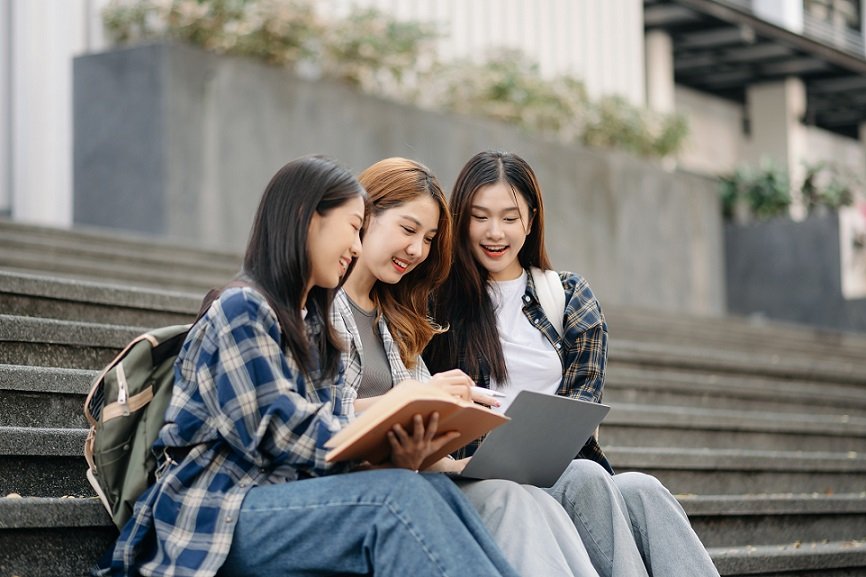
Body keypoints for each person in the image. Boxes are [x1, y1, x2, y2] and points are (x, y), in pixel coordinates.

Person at [101, 155, 523, 577]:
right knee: (397, 500)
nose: (356, 247)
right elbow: (281, 431)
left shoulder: (318, 326)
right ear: (308, 219)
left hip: (289, 504)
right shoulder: (241, 309)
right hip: (219, 513)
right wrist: (402, 401)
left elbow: (331, 434)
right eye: (353, 228)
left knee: (431, 490)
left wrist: (399, 453)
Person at [423, 150, 720, 577]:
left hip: (558, 468)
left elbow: (579, 408)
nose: (494, 232)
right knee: (585, 476)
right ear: (460, 219)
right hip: (478, 475)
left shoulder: (567, 296)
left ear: (531, 219)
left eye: (510, 217)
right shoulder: (437, 302)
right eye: (479, 216)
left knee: (644, 489)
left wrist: (539, 449)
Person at [331, 157, 600, 577]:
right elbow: (315, 416)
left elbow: (422, 444)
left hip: (411, 479)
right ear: (364, 214)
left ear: (531, 221)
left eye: (429, 238)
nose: (417, 250)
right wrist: (412, 400)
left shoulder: (397, 317)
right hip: (359, 490)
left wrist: (456, 458)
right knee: (510, 499)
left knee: (548, 494)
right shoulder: (322, 305)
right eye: (408, 230)